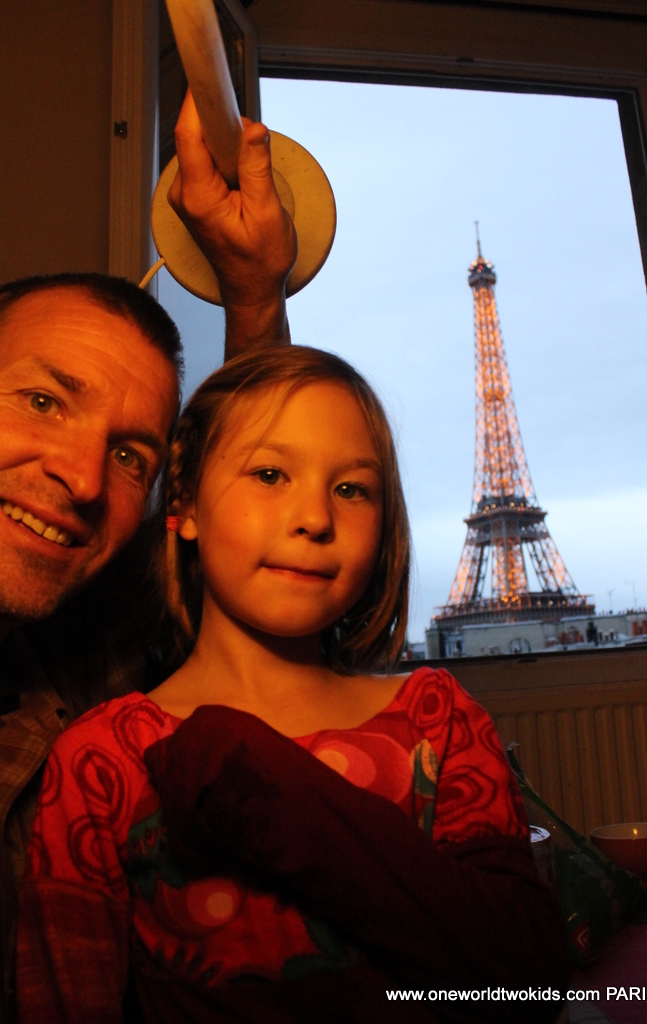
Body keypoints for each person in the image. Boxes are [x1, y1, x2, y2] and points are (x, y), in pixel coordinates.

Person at [17, 347, 570, 1023]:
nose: (315, 517)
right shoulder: (100, 760)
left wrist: (254, 777)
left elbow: (525, 979)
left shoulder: (440, 718)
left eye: (352, 489)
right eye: (270, 474)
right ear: (185, 504)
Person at [0, 90, 297, 1023]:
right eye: (42, 401)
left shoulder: (85, 660)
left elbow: (246, 550)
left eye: (131, 456)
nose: (83, 477)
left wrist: (253, 293)